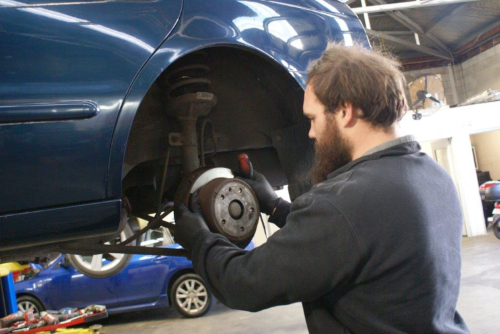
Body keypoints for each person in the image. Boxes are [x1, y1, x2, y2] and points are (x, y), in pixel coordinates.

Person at [174, 43, 469, 333]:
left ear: (345, 111)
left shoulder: (344, 203)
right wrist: (274, 206)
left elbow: (242, 283)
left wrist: (199, 240)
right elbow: (353, 241)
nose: (311, 132)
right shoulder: (434, 176)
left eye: (313, 119)